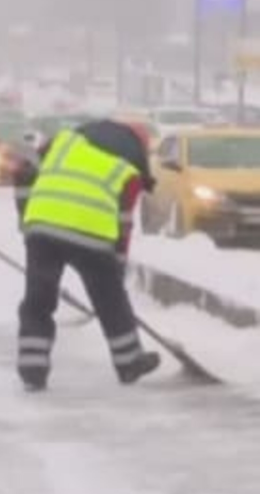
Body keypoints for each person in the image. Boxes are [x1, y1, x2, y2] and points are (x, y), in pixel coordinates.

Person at [13, 119, 160, 391]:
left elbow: (23, 173)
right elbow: (123, 222)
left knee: (38, 300)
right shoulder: (127, 168)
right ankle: (129, 362)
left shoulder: (65, 142)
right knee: (110, 301)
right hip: (90, 233)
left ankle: (32, 369)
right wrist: (117, 263)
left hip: (42, 227)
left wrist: (26, 220)